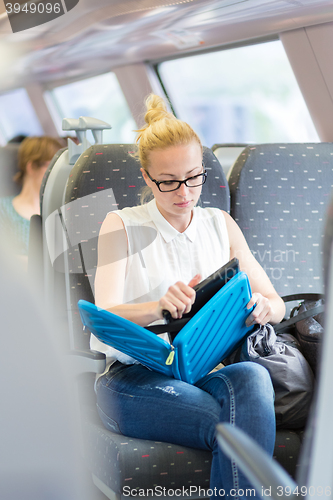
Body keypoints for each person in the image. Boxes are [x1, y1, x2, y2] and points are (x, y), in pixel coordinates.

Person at [92, 94, 286, 498]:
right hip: (135, 378)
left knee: (253, 376)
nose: (184, 192)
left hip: (206, 371)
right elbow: (103, 315)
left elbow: (276, 300)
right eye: (169, 181)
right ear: (146, 177)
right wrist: (157, 306)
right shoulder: (121, 226)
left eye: (194, 177)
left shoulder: (221, 224)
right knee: (238, 428)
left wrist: (266, 307)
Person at [0, 136, 62, 266]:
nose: (57, 173)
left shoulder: (59, 211)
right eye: (52, 166)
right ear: (32, 166)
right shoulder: (3, 210)